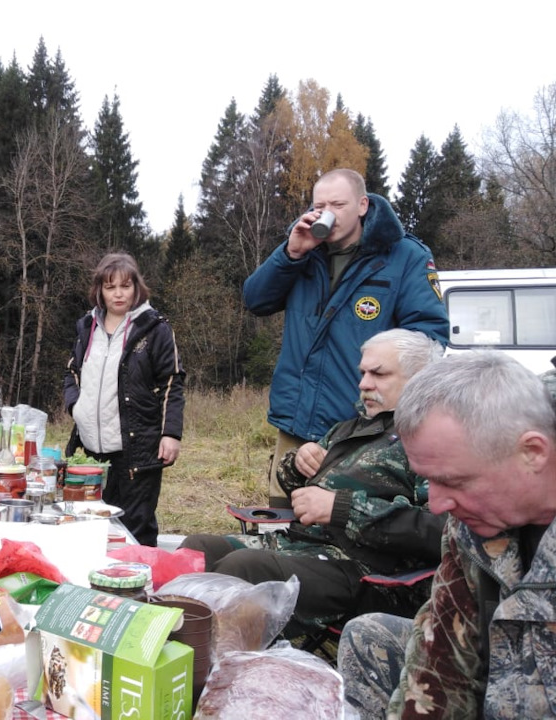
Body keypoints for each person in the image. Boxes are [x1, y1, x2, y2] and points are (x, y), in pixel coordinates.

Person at [180, 329, 446, 632]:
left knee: (243, 569)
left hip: (367, 571)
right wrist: (298, 463)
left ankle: (204, 662)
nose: (363, 384)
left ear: (419, 379)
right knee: (196, 550)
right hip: (302, 545)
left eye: (378, 374)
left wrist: (343, 509)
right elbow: (299, 492)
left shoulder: (431, 440)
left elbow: (439, 530)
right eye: (362, 373)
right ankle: (173, 647)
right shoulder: (350, 429)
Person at [337, 352, 556, 719]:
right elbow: (441, 661)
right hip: (503, 680)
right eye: (428, 480)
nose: (436, 505)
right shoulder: (471, 522)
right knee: (370, 634)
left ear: (532, 453)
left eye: (452, 481)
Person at [243, 168, 449, 506]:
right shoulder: (303, 252)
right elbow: (256, 300)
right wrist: (291, 254)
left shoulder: (404, 256)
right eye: (319, 204)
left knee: (340, 524)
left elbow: (429, 336)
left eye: (338, 204)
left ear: (363, 205)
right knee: (283, 519)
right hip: (298, 422)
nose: (327, 212)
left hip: (362, 430)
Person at [63, 252, 185, 547]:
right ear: (100, 291)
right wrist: (75, 407)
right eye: (110, 286)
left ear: (136, 288)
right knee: (93, 528)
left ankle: (140, 590)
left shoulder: (155, 328)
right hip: (91, 449)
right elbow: (73, 372)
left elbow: (172, 382)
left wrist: (171, 434)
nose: (118, 293)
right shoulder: (86, 327)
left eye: (125, 286)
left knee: (135, 529)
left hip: (138, 447)